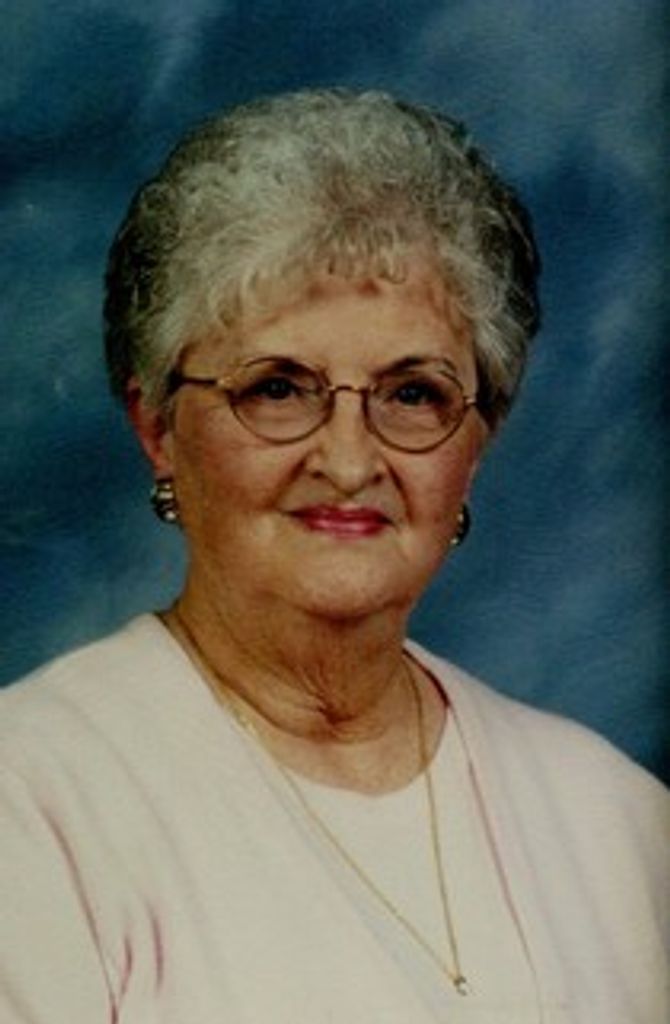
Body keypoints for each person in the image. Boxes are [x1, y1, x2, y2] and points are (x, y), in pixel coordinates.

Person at [1, 88, 667, 1024]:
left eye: (413, 394)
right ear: (157, 428)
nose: (351, 462)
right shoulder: (32, 804)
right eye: (278, 388)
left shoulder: (616, 820)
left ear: (476, 442)